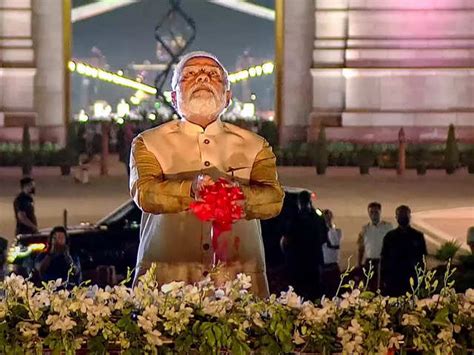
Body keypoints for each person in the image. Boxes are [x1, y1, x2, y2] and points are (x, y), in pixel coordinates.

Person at [129, 51, 284, 297]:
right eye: (189, 75)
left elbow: (274, 200)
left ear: (228, 97)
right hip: (167, 279)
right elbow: (145, 194)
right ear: (173, 97)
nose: (202, 79)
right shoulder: (147, 143)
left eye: (213, 75)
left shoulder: (256, 145)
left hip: (239, 279)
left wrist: (235, 196)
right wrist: (191, 190)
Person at [281, 191, 327, 300]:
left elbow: (323, 237)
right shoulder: (296, 219)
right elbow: (286, 240)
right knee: (301, 292)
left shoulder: (312, 218)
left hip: (309, 261)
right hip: (301, 261)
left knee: (312, 292)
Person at [381, 205, 427, 296]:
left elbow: (423, 260)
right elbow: (384, 259)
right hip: (394, 279)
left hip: (412, 279)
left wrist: (422, 280)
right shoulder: (389, 237)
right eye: (400, 215)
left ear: (410, 216)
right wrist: (383, 280)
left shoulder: (418, 236)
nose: (403, 217)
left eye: (405, 215)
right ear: (396, 217)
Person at [357, 202, 393, 291]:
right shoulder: (365, 229)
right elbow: (361, 247)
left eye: (376, 212)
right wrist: (359, 263)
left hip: (384, 261)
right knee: (369, 287)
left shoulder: (388, 227)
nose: (373, 215)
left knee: (384, 286)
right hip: (370, 261)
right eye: (371, 212)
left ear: (380, 212)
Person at [321, 209, 342, 298]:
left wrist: (329, 226)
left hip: (333, 267)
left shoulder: (336, 231)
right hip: (322, 268)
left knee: (335, 295)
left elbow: (335, 244)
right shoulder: (318, 232)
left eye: (328, 217)